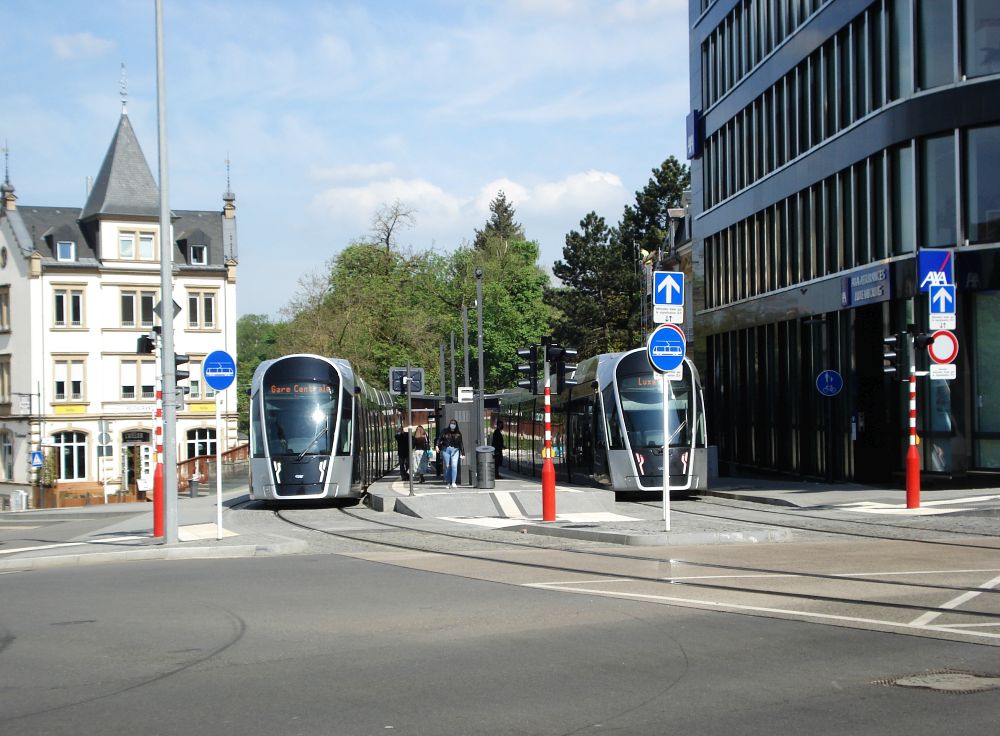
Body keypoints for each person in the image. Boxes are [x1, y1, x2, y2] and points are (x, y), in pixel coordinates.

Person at [438, 419, 464, 489]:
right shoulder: (444, 431)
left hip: (455, 450)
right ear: (449, 424)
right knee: (447, 466)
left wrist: (463, 453)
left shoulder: (458, 434)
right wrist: (437, 446)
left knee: (454, 465)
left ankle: (453, 482)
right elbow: (440, 438)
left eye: (454, 424)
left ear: (456, 425)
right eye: (451, 423)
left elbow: (461, 444)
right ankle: (448, 482)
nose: (452, 425)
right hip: (446, 450)